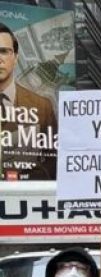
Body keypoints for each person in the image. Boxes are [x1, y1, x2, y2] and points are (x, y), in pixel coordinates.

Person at [0, 22, 58, 180]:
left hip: (25, 197)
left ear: (16, 57)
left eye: (4, 51)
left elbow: (53, 160)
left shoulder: (42, 106)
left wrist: (25, 178)